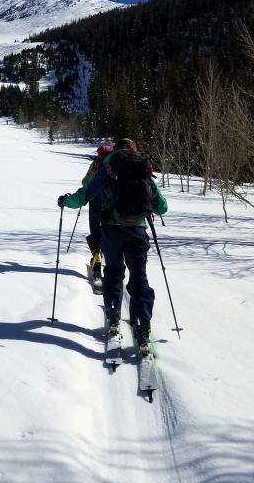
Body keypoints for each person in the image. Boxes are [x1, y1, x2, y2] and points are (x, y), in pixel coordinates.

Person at [57, 139, 168, 353]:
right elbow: (162, 207)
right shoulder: (143, 170)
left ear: (114, 151)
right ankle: (142, 325)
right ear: (134, 152)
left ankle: (114, 314)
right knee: (139, 277)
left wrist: (65, 201)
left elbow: (82, 197)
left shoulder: (105, 170)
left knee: (114, 272)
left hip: (111, 231)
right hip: (138, 232)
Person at [81, 143, 114, 280]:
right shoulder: (115, 165)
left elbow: (85, 182)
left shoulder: (95, 164)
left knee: (95, 229)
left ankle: (96, 254)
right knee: (109, 229)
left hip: (95, 200)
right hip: (111, 202)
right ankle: (111, 259)